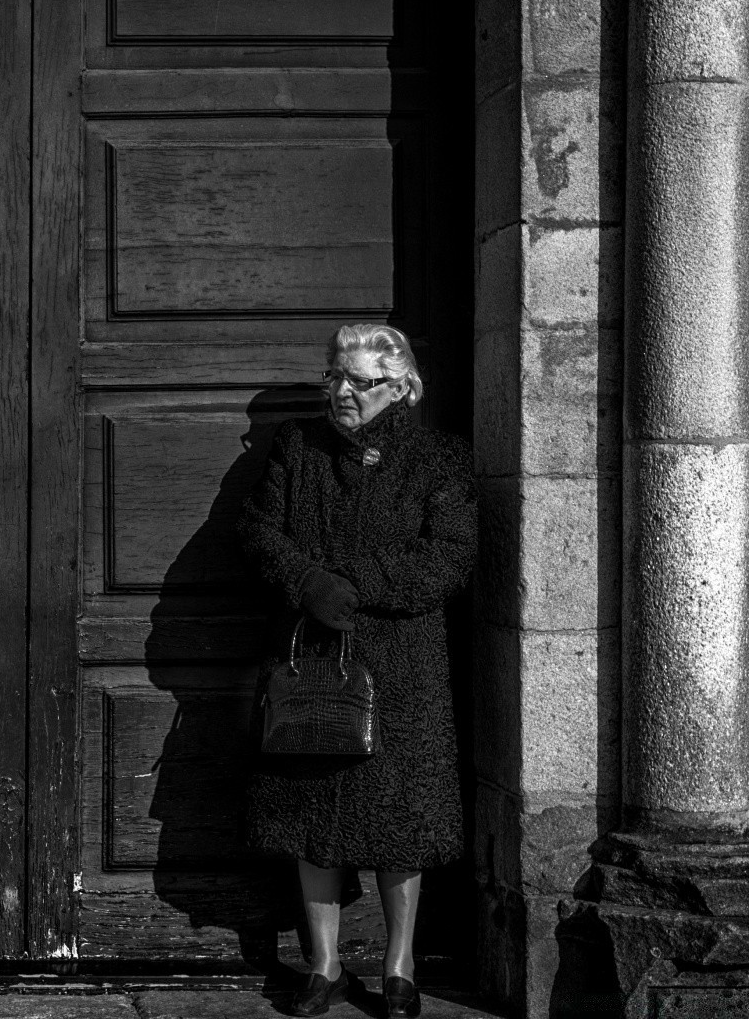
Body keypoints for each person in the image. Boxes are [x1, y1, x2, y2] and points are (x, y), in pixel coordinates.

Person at [237, 323, 477, 1017]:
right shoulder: (297, 450)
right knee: (311, 812)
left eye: (359, 381)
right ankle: (324, 966)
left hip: (404, 668)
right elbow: (257, 530)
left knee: (402, 822)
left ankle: (400, 967)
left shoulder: (438, 460)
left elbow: (452, 553)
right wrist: (306, 581)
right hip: (313, 656)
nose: (341, 391)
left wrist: (361, 582)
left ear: (400, 386)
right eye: (333, 377)